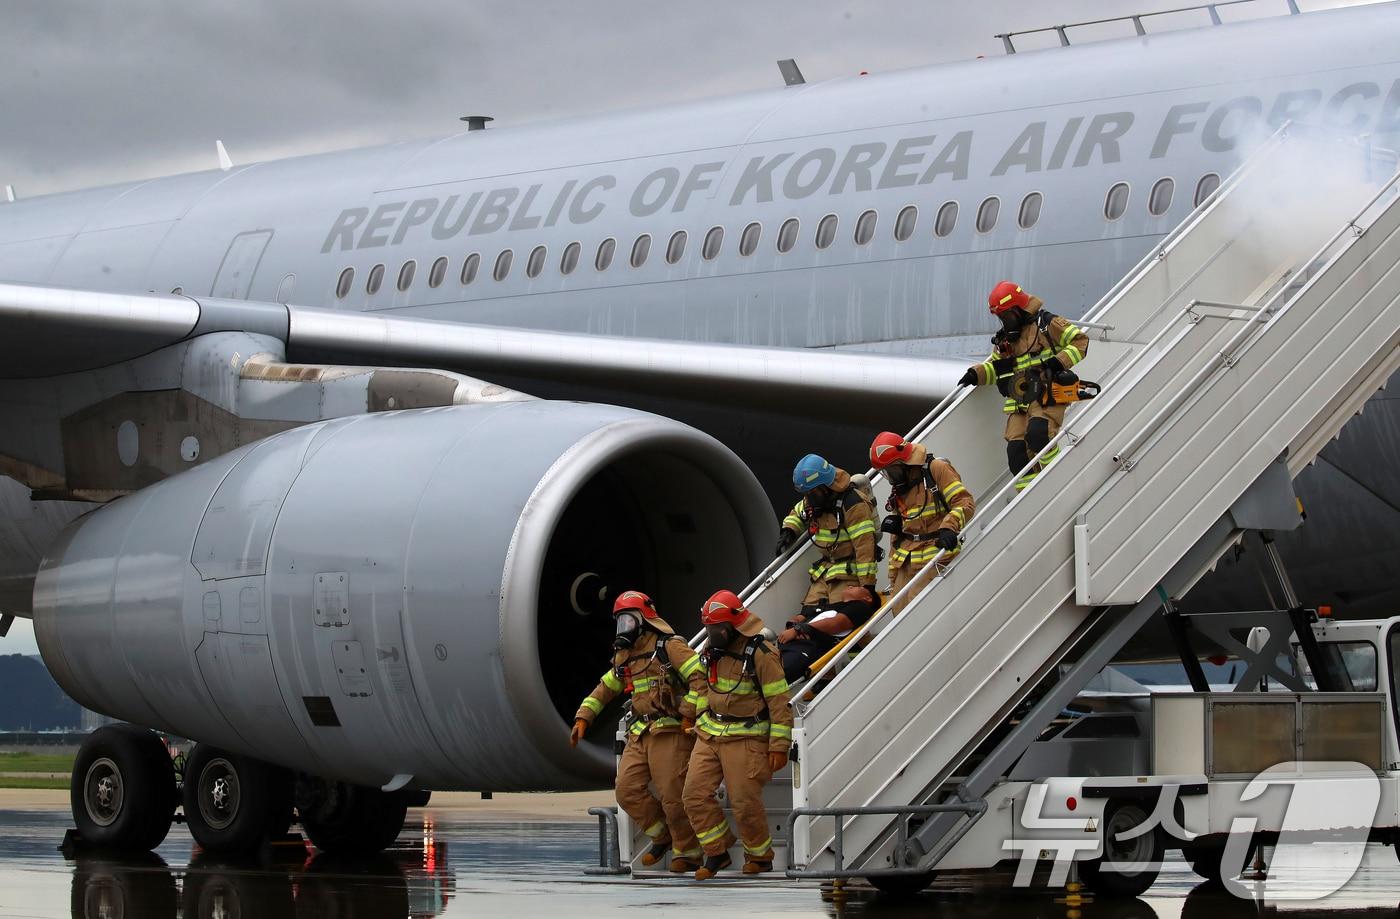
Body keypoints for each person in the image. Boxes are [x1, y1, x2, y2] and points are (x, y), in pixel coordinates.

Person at [570, 590, 708, 873]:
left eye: (628, 621)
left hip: (669, 730)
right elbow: (606, 688)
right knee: (626, 790)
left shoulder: (670, 647)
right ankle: (662, 835)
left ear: (644, 620)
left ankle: (688, 851)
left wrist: (687, 714)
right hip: (640, 731)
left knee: (673, 793)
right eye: (620, 622)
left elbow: (700, 679)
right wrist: (583, 717)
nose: (624, 628)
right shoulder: (625, 657)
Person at [682, 590, 793, 880]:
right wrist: (695, 719)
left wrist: (779, 746)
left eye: (716, 629)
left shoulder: (761, 654)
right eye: (708, 628)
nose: (711, 633)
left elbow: (780, 703)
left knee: (744, 801)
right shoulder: (711, 650)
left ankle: (759, 856)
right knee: (693, 794)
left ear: (733, 626)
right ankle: (717, 851)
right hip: (709, 733)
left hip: (747, 735)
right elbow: (705, 687)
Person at [958, 281, 1089, 490]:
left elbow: (1080, 342)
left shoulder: (1047, 324)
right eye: (1001, 317)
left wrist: (1056, 362)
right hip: (1020, 402)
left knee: (1039, 435)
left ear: (1018, 309)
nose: (1004, 321)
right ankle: (1029, 498)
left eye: (1006, 316)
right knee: (1016, 454)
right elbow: (996, 368)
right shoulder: (1006, 340)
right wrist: (977, 374)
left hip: (1046, 395)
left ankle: (1057, 481)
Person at [868, 432, 976, 593]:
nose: (890, 477)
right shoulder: (900, 486)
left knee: (918, 612)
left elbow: (964, 502)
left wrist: (948, 527)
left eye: (891, 470)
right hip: (906, 563)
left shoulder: (936, 469)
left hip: (935, 558)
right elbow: (897, 536)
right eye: (885, 472)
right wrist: (893, 576)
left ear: (903, 462)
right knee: (898, 611)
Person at [776, 454, 878, 614]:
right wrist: (789, 530)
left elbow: (865, 548)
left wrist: (867, 587)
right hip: (824, 572)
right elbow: (798, 513)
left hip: (849, 575)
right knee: (807, 615)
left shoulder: (853, 504)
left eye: (812, 493)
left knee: (838, 619)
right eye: (806, 494)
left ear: (825, 486)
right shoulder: (815, 499)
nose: (808, 498)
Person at [775, 584, 881, 684]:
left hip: (804, 651)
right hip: (786, 647)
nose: (850, 586)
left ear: (868, 598)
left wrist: (798, 629)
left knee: (772, 676)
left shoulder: (861, 607)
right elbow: (802, 616)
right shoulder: (832, 607)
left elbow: (837, 623)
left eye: (857, 587)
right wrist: (795, 622)